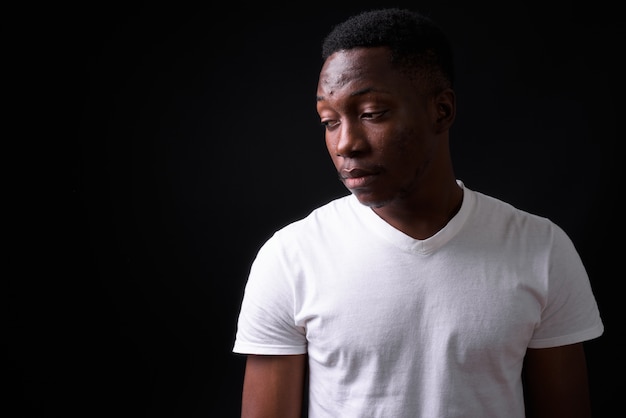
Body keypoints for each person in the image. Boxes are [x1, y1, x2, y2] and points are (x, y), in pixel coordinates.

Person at [232, 8, 604, 418]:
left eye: (371, 114)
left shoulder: (541, 248)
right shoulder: (291, 257)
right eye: (329, 121)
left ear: (441, 111)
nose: (345, 144)